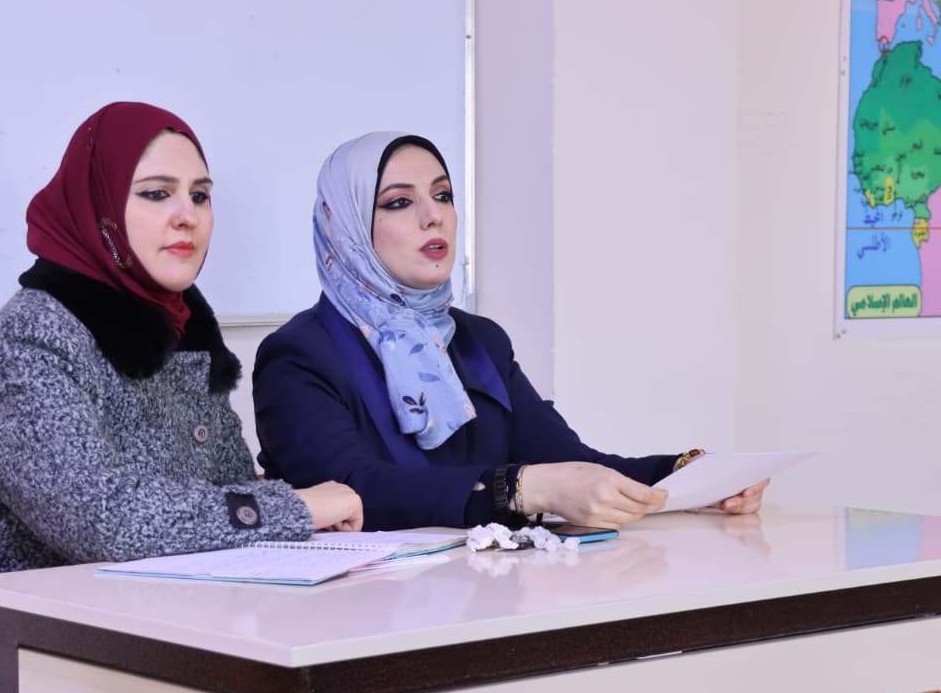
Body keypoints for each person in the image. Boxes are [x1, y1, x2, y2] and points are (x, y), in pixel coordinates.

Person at [0, 102, 362, 693]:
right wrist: (291, 506)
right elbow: (108, 521)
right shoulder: (26, 347)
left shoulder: (177, 328)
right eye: (157, 194)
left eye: (201, 195)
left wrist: (286, 513)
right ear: (97, 210)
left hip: (128, 663)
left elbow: (225, 483)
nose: (187, 216)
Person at [252, 131, 766, 532]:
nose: (434, 217)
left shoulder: (478, 341)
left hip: (493, 597)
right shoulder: (298, 355)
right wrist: (521, 488)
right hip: (363, 615)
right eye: (399, 202)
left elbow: (573, 466)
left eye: (443, 195)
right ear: (343, 225)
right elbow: (352, 492)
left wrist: (694, 475)